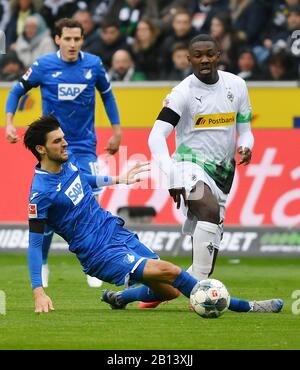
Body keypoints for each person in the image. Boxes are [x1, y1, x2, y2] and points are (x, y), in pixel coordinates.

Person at [146, 34, 284, 313]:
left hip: (223, 173)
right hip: (188, 166)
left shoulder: (237, 85)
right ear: (189, 59)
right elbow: (156, 136)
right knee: (208, 211)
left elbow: (245, 129)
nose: (205, 59)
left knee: (208, 251)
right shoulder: (182, 93)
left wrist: (245, 146)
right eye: (198, 55)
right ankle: (200, 292)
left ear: (219, 55)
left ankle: (135, 295)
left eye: (210, 54)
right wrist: (172, 174)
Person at [23, 115, 200, 314]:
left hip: (115, 232)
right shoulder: (40, 194)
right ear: (41, 149)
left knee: (171, 291)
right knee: (171, 271)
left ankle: (120, 297)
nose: (65, 143)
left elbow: (82, 179)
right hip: (99, 253)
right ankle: (219, 299)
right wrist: (38, 291)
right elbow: (35, 244)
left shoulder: (68, 160)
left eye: (63, 138)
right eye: (57, 141)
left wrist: (118, 179)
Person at [5, 18, 122, 288]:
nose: (72, 44)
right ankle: (43, 262)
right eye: (67, 39)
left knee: (90, 201)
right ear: (57, 39)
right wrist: (10, 122)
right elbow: (16, 91)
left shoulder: (93, 64)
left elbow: (108, 95)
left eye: (77, 39)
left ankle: (93, 263)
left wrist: (117, 131)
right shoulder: (44, 66)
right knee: (50, 209)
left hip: (82, 145)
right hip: (53, 146)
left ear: (82, 40)